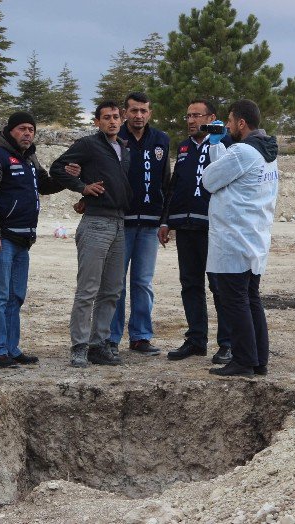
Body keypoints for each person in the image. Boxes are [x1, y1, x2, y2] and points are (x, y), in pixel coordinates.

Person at [0, 111, 79, 369]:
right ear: (10, 130)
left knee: (16, 296)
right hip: (2, 238)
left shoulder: (30, 156)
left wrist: (68, 177)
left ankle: (11, 348)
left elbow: (44, 185)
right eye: (22, 129)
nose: (27, 133)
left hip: (24, 239)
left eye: (31, 130)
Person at [50, 101, 132, 368]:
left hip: (120, 223)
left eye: (116, 117)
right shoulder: (88, 144)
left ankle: (99, 344)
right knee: (88, 289)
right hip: (96, 223)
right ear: (96, 122)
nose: (112, 121)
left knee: (112, 290)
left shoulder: (124, 148)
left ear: (122, 120)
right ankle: (79, 346)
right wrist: (82, 188)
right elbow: (58, 168)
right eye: (106, 118)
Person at [202, 99, 279, 377]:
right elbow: (225, 171)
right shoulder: (267, 152)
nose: (229, 126)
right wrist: (216, 144)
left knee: (234, 301)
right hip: (254, 237)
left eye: (231, 121)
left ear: (242, 123)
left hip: (234, 240)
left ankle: (244, 360)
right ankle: (259, 360)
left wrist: (215, 144)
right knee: (250, 298)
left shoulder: (242, 151)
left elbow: (210, 180)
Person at [158, 99, 233, 364]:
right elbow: (174, 186)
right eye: (187, 115)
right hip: (185, 226)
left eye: (196, 116)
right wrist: (166, 221)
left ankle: (227, 343)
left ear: (211, 117)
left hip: (213, 228)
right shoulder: (184, 147)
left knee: (219, 287)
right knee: (190, 285)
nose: (190, 121)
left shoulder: (226, 145)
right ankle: (196, 339)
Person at [107, 92, 171, 357]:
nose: (138, 116)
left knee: (143, 282)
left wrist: (166, 220)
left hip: (150, 224)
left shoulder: (161, 140)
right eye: (134, 110)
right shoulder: (113, 138)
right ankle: (110, 337)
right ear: (125, 112)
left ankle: (140, 336)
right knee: (115, 283)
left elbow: (166, 182)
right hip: (121, 222)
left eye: (143, 111)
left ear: (150, 113)